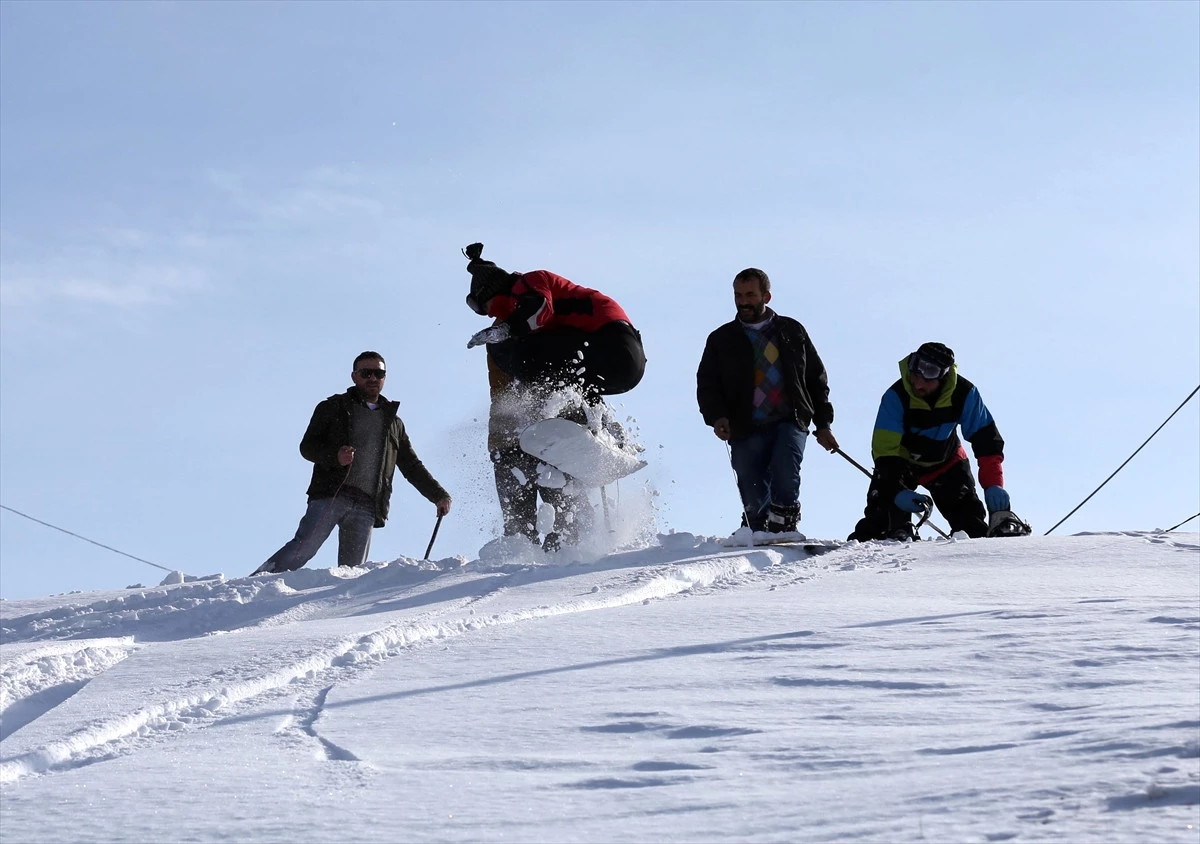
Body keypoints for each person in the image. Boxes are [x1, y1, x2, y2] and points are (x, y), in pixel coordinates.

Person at [254, 352, 452, 574]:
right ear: (354, 376)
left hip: (367, 504)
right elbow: (307, 447)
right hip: (332, 494)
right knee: (303, 548)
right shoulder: (332, 407)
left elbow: (411, 465)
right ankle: (254, 585)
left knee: (352, 572)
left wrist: (438, 494)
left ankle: (341, 609)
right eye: (366, 373)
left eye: (379, 373)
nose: (373, 378)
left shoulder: (394, 424)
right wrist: (335, 456)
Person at [696, 267, 839, 534]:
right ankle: (755, 525)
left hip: (790, 419)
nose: (743, 301)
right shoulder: (721, 339)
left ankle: (784, 523)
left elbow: (816, 380)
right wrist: (716, 417)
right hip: (744, 423)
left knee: (785, 469)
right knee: (750, 484)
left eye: (750, 294)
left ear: (766, 296)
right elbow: (707, 385)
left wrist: (823, 424)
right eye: (738, 295)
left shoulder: (792, 331)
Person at [848, 341, 1031, 541]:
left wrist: (994, 484)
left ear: (943, 378)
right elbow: (885, 452)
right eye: (915, 375)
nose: (918, 384)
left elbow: (986, 441)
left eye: (927, 379)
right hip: (900, 466)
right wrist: (896, 491)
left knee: (972, 527)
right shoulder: (896, 397)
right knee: (879, 520)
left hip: (947, 465)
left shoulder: (964, 394)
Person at [463, 243, 646, 411]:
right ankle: (599, 426)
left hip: (612, 344)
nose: (488, 314)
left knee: (518, 351)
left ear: (492, 290)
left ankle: (566, 415)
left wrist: (504, 330)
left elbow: (540, 308)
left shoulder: (527, 283)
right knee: (570, 380)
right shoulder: (523, 308)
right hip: (623, 367)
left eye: (483, 307)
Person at [485, 353, 590, 551]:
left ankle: (556, 571)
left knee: (558, 527)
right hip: (535, 441)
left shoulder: (504, 332)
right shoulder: (511, 334)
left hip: (535, 441)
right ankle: (534, 573)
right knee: (530, 532)